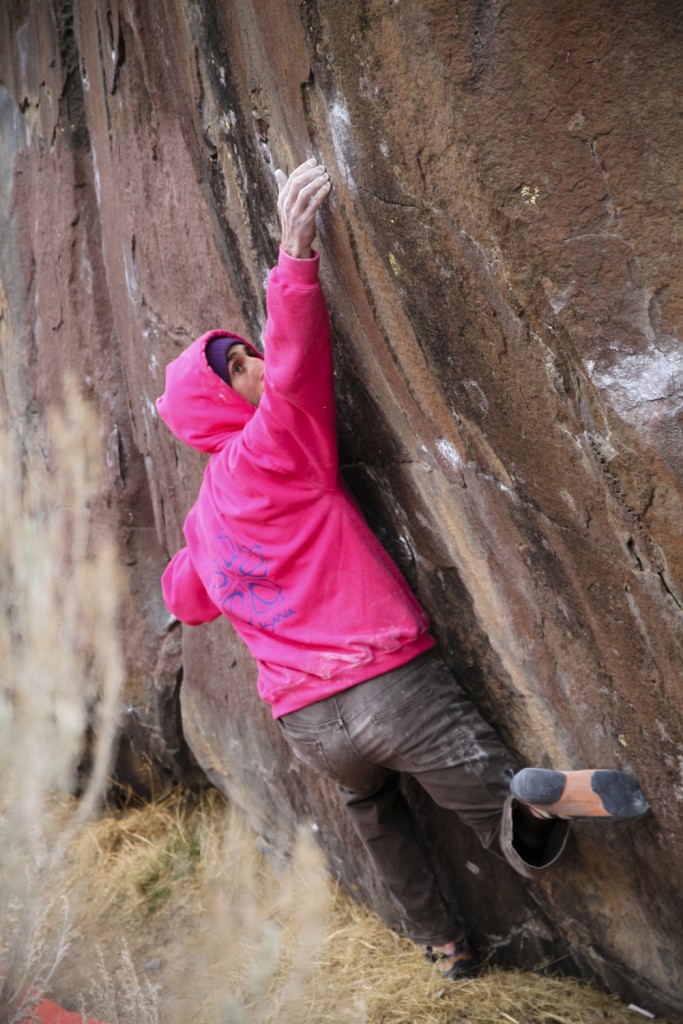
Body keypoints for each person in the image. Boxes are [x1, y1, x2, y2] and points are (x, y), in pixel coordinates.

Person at [156, 159, 650, 979]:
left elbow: (187, 600)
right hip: (389, 686)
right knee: (503, 808)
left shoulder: (203, 522)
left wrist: (198, 558)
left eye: (244, 354)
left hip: (311, 727)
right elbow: (295, 369)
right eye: (234, 364)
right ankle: (525, 815)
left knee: (370, 808)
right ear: (218, 402)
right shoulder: (274, 450)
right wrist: (293, 253)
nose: (250, 364)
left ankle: (444, 946)